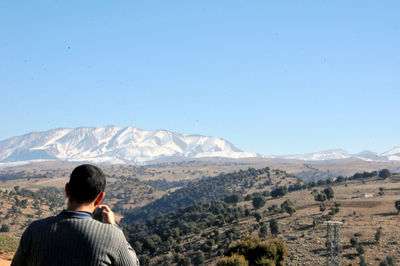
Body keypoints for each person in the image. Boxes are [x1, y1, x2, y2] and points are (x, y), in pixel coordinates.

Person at [11, 164, 139, 266]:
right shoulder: (112, 235)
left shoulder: (34, 230)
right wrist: (114, 227)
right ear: (100, 198)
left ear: (67, 190)